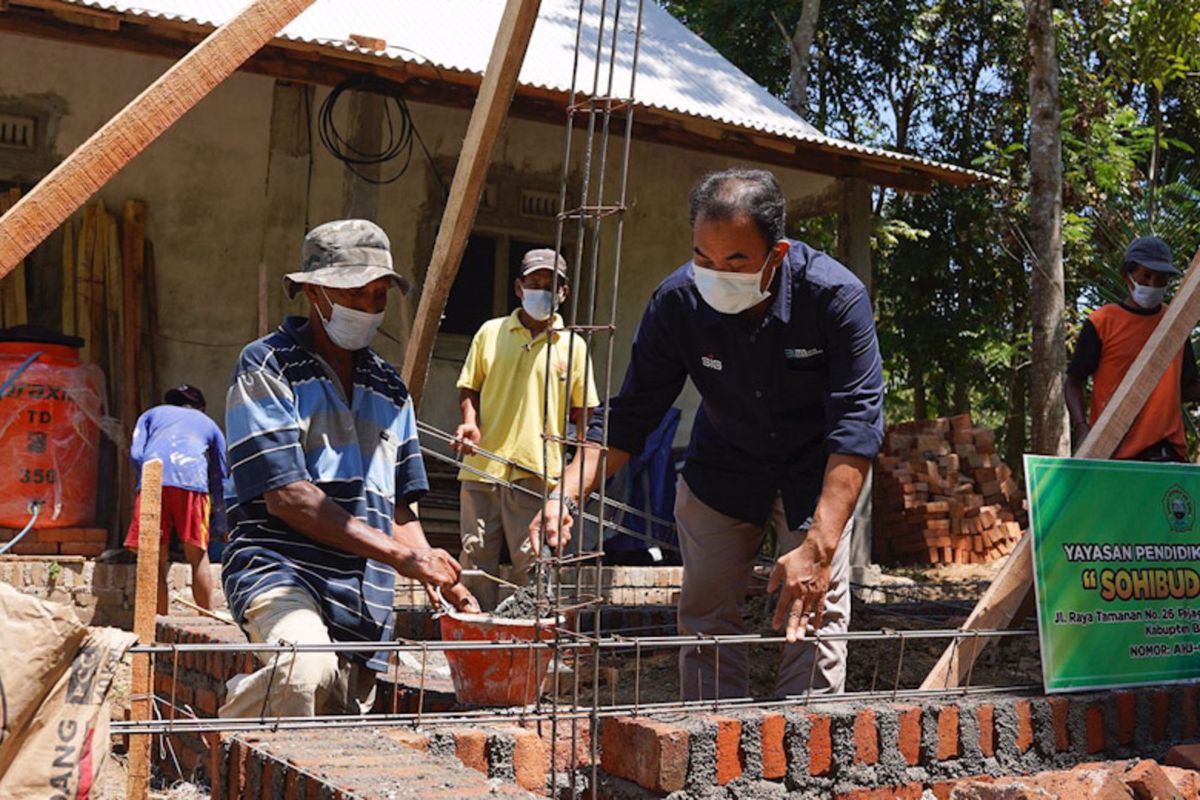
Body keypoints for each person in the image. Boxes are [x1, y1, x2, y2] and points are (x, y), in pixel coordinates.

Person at [531, 169, 884, 700]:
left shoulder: (834, 297)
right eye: (703, 258)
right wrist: (567, 492)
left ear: (778, 253)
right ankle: (711, 741)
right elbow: (631, 415)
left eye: (736, 262)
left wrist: (821, 543)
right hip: (722, 472)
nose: (717, 273)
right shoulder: (676, 303)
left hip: (818, 475)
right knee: (705, 616)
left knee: (815, 614)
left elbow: (857, 424)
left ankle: (807, 739)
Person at [219, 220, 477, 719]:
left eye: (378, 295)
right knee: (303, 669)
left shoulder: (389, 387)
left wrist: (438, 574)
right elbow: (287, 496)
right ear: (314, 291)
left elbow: (400, 507)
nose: (369, 308)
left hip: (364, 598)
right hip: (283, 569)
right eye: (355, 293)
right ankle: (225, 744)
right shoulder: (267, 366)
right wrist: (401, 559)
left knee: (335, 734)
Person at [452, 249, 598, 609]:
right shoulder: (491, 332)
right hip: (482, 469)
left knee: (533, 562)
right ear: (519, 287)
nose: (541, 291)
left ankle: (527, 642)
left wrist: (575, 476)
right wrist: (470, 423)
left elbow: (584, 416)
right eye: (534, 283)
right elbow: (469, 385)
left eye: (551, 285)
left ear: (564, 293)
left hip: (537, 473)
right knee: (475, 561)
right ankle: (477, 637)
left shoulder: (574, 346)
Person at [1066, 235, 1200, 461]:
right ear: (1127, 275)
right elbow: (1073, 382)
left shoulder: (1176, 323)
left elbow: (1185, 389)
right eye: (1146, 276)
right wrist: (1082, 427)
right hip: (1114, 451)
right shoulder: (1102, 322)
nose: (1153, 285)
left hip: (1169, 452)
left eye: (1161, 279)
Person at [125, 384, 227, 615]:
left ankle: (158, 621)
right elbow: (221, 474)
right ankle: (206, 618)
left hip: (154, 478)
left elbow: (136, 454)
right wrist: (222, 521)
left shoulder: (151, 414)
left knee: (153, 556)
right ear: (201, 408)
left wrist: (149, 480)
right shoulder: (209, 424)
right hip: (192, 482)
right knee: (198, 556)